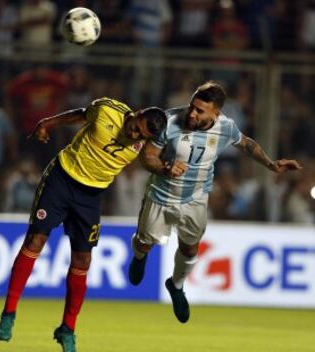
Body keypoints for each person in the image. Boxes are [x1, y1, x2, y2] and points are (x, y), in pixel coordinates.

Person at [0, 97, 167, 352]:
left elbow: (151, 160)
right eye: (135, 127)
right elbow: (80, 114)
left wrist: (168, 168)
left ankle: (67, 330)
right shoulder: (108, 109)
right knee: (36, 240)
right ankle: (9, 312)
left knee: (83, 260)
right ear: (137, 113)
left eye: (140, 135)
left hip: (91, 195)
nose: (133, 135)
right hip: (62, 179)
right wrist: (47, 123)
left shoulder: (145, 142)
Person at [128, 81, 302, 323]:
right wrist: (166, 167)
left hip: (195, 198)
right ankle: (139, 256)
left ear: (216, 113)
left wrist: (271, 164)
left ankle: (176, 286)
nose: (192, 113)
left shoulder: (225, 128)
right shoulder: (169, 121)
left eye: (200, 110)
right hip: (161, 195)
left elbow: (247, 145)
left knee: (190, 248)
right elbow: (147, 156)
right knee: (145, 243)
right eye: (192, 107)